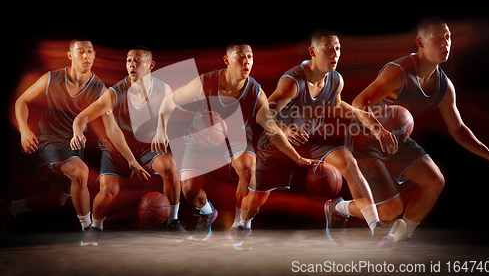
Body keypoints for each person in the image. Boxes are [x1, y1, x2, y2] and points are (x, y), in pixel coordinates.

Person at [350, 17, 489, 248]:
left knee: (434, 181)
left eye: (447, 37)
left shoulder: (444, 86)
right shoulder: (398, 72)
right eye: (437, 38)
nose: (445, 43)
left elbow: (458, 129)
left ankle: (393, 241)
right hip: (366, 138)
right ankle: (336, 207)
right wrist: (379, 130)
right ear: (420, 42)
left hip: (396, 139)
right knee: (390, 210)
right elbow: (359, 103)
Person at [152, 40, 317, 245]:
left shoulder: (255, 90)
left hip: (236, 136)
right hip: (202, 137)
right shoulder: (205, 82)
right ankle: (207, 212)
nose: (246, 61)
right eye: (240, 56)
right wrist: (160, 130)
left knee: (248, 167)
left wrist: (298, 157)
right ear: (227, 60)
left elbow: (270, 127)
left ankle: (241, 224)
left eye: (249, 56)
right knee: (189, 192)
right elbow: (168, 101)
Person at [241, 30, 398, 245]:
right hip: (278, 144)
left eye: (337, 48)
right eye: (328, 49)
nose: (334, 54)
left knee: (348, 162)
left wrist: (375, 126)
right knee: (255, 203)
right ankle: (243, 223)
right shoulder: (293, 82)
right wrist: (285, 130)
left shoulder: (335, 79)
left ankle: (375, 226)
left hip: (311, 139)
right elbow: (262, 115)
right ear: (313, 51)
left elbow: (336, 105)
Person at [71, 47, 186, 245]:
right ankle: (95, 227)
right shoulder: (113, 93)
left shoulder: (163, 88)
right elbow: (82, 118)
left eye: (137, 60)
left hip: (146, 147)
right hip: (116, 149)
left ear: (150, 65)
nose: (132, 64)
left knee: (171, 169)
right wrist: (77, 132)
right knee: (108, 190)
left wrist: (162, 129)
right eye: (129, 60)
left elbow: (168, 107)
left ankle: (172, 221)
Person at [7, 38, 105, 240]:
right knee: (81, 171)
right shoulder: (51, 79)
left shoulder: (98, 87)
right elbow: (21, 101)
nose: (86, 56)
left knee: (57, 199)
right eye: (80, 52)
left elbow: (96, 119)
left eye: (90, 52)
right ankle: (88, 230)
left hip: (72, 147)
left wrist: (107, 140)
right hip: (46, 142)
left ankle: (9, 209)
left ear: (94, 55)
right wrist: (25, 130)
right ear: (70, 55)